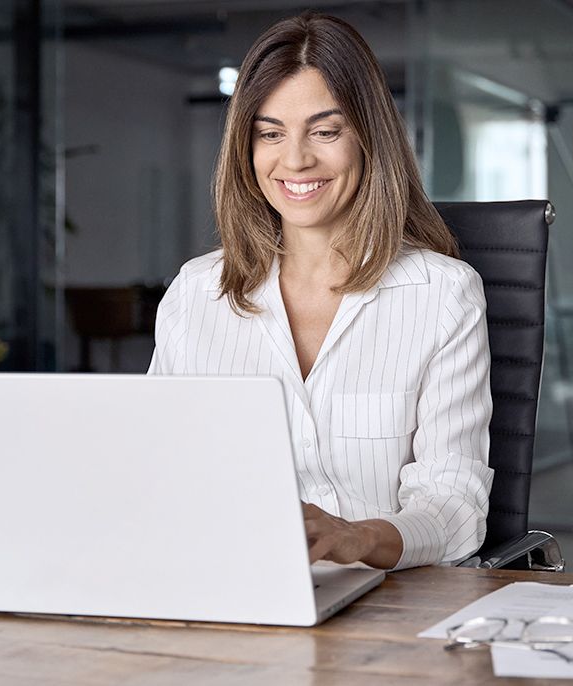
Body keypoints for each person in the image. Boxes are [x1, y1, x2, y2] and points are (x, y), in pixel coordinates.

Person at [148, 12, 492, 571]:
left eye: (326, 131)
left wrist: (360, 538)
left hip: (388, 602)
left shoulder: (442, 295)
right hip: (230, 586)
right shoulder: (196, 293)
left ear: (368, 139)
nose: (296, 159)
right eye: (270, 133)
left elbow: (455, 506)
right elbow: (156, 468)